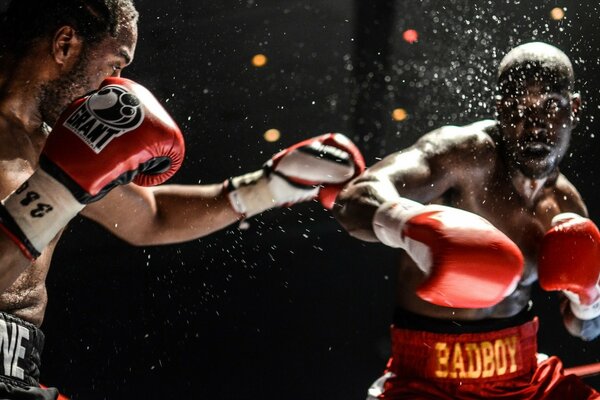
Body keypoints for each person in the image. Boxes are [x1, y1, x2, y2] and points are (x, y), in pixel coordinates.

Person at [0, 0, 365, 398]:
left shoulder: (59, 145)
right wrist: (59, 189)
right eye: (115, 63)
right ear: (66, 44)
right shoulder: (59, 163)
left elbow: (150, 217)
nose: (114, 83)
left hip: (21, 373)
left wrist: (270, 186)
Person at [333, 41, 600, 399]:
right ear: (500, 110)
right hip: (427, 377)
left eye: (551, 105)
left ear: (574, 109)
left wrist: (591, 297)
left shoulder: (567, 206)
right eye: (519, 107)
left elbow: (586, 329)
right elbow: (353, 198)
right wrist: (411, 225)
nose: (534, 125)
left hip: (520, 375)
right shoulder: (462, 156)